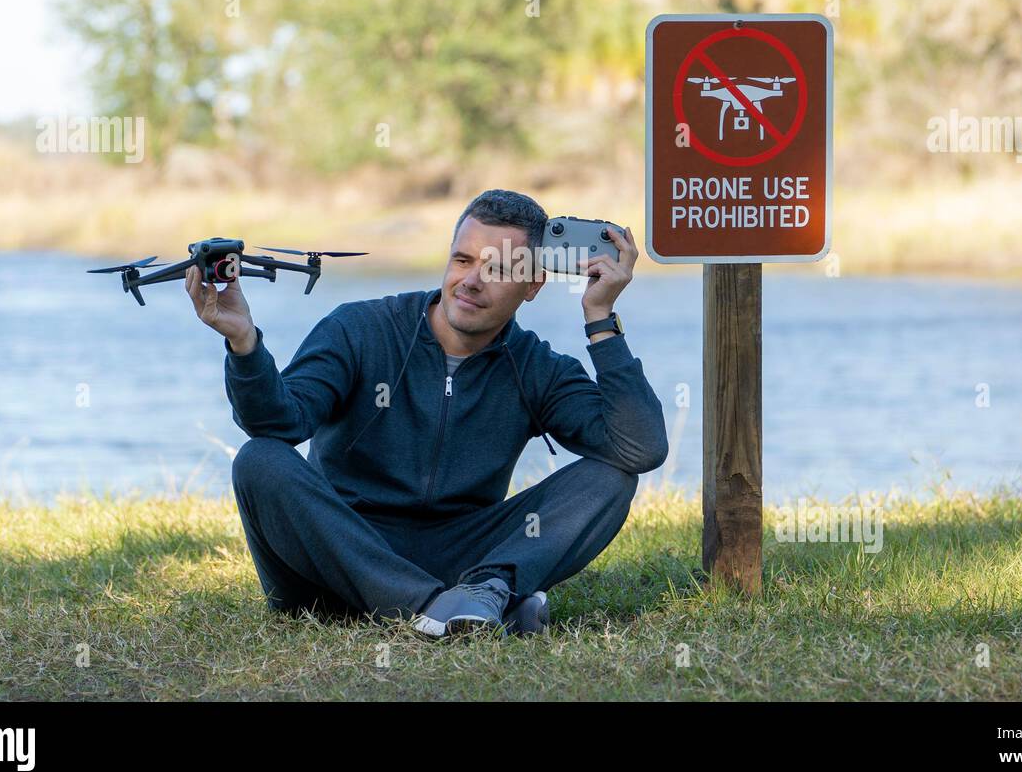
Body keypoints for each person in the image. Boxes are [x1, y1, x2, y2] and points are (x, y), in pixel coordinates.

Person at [185, 189, 668, 638]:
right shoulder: (360, 328)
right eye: (462, 260)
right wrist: (243, 342)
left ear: (533, 284)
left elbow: (638, 448)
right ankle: (442, 607)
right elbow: (279, 424)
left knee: (611, 479)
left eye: (498, 270)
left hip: (458, 552)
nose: (471, 282)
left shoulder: (537, 367)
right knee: (259, 459)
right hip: (336, 557)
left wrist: (600, 317)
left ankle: (483, 593)